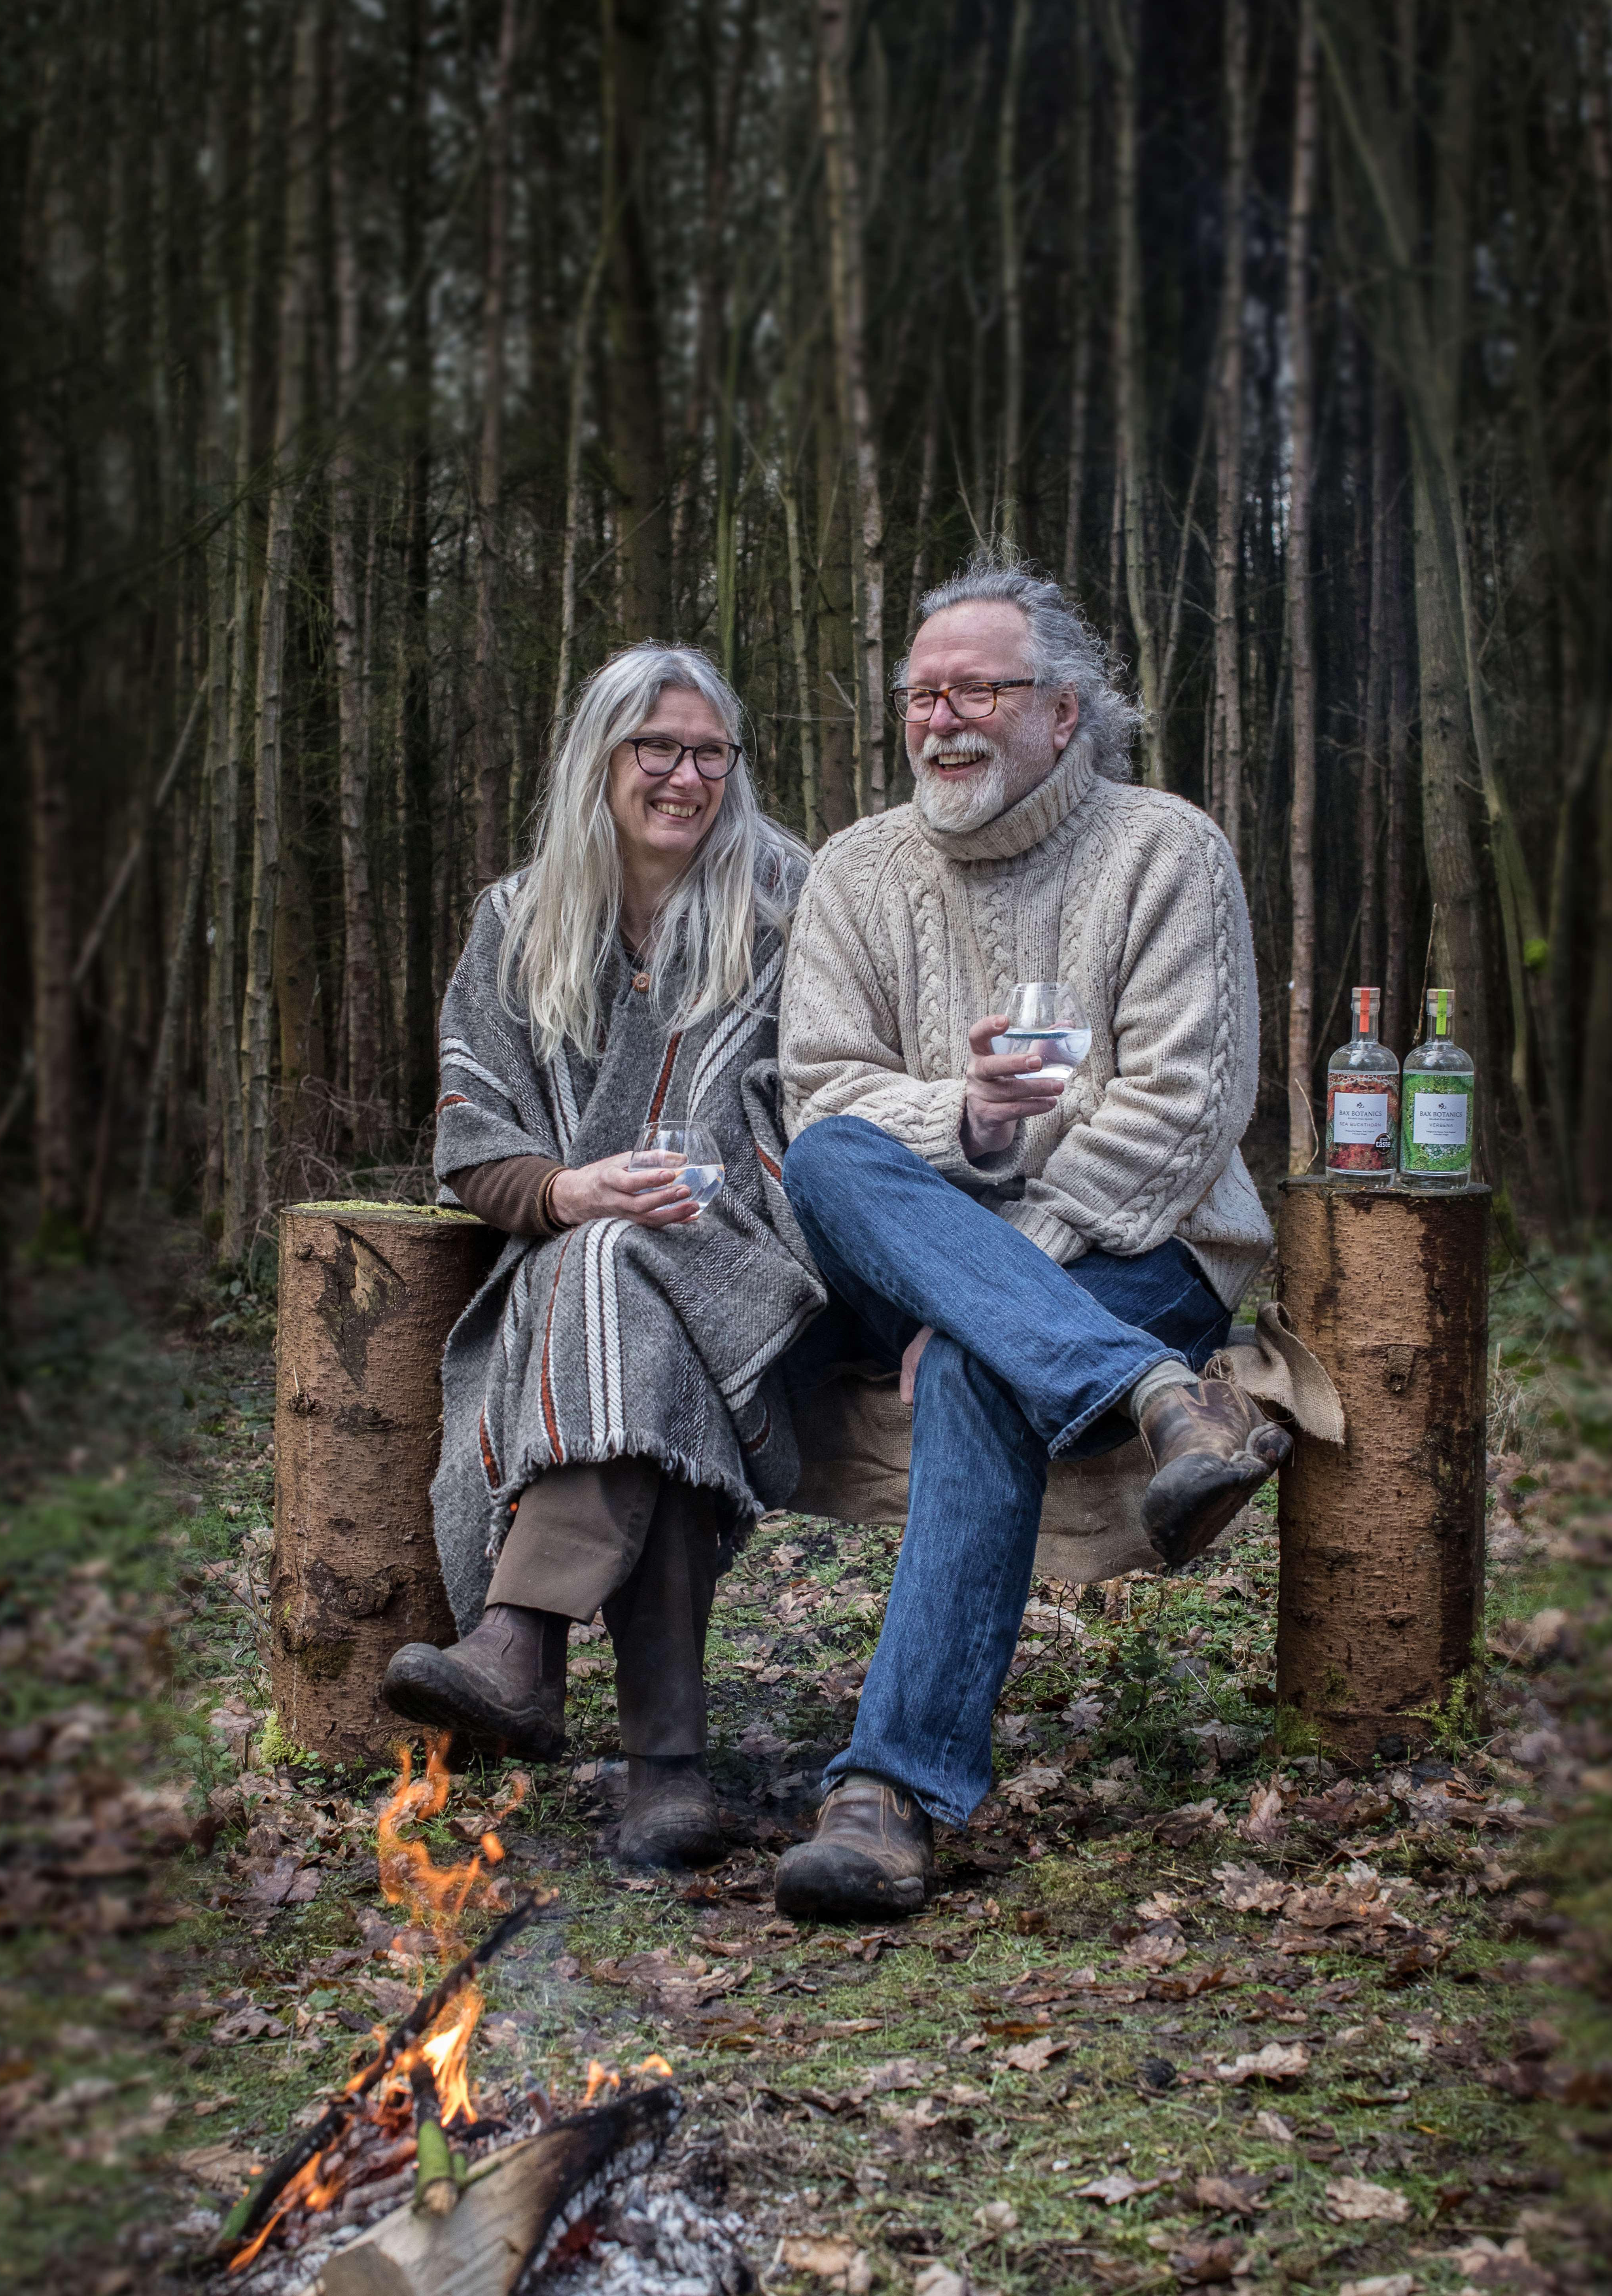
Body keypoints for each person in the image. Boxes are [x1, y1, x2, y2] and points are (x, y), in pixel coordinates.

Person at [772, 558, 1284, 1920]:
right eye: (920, 695)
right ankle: (1159, 1398)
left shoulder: (1166, 848)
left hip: (1138, 1245)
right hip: (926, 1244)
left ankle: (887, 1796)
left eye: (977, 691)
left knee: (974, 1364)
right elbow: (821, 1093)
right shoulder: (854, 869)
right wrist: (971, 1118)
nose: (942, 720)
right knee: (826, 1155)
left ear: (1063, 711)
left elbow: (1185, 1109)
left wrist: (1000, 1284)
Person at [382, 645, 823, 1870]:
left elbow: (838, 1099)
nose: (686, 775)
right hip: (582, 1274)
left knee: (619, 1275)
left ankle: (520, 1641)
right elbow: (473, 1141)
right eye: (657, 747)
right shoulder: (518, 921)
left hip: (759, 1270)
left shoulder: (790, 903)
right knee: (622, 1295)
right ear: (601, 757)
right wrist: (568, 1189)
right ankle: (664, 1772)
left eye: (709, 752)